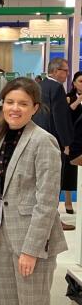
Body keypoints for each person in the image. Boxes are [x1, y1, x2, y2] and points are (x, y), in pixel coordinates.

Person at [0, 77, 68, 305]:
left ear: (35, 108)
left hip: (31, 245)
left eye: (23, 104)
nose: (15, 108)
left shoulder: (43, 141)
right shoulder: (1, 137)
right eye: (10, 102)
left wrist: (31, 250)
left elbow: (46, 202)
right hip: (1, 237)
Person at [32, 57, 74, 230]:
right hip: (54, 141)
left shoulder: (40, 87)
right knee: (54, 182)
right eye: (65, 70)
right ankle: (54, 221)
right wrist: (66, 143)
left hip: (38, 139)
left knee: (41, 182)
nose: (67, 74)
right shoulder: (56, 88)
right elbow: (59, 118)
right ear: (55, 71)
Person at [63, 71, 82, 214]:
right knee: (70, 171)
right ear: (74, 83)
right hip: (73, 139)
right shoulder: (68, 98)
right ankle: (68, 201)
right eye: (80, 81)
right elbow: (67, 115)